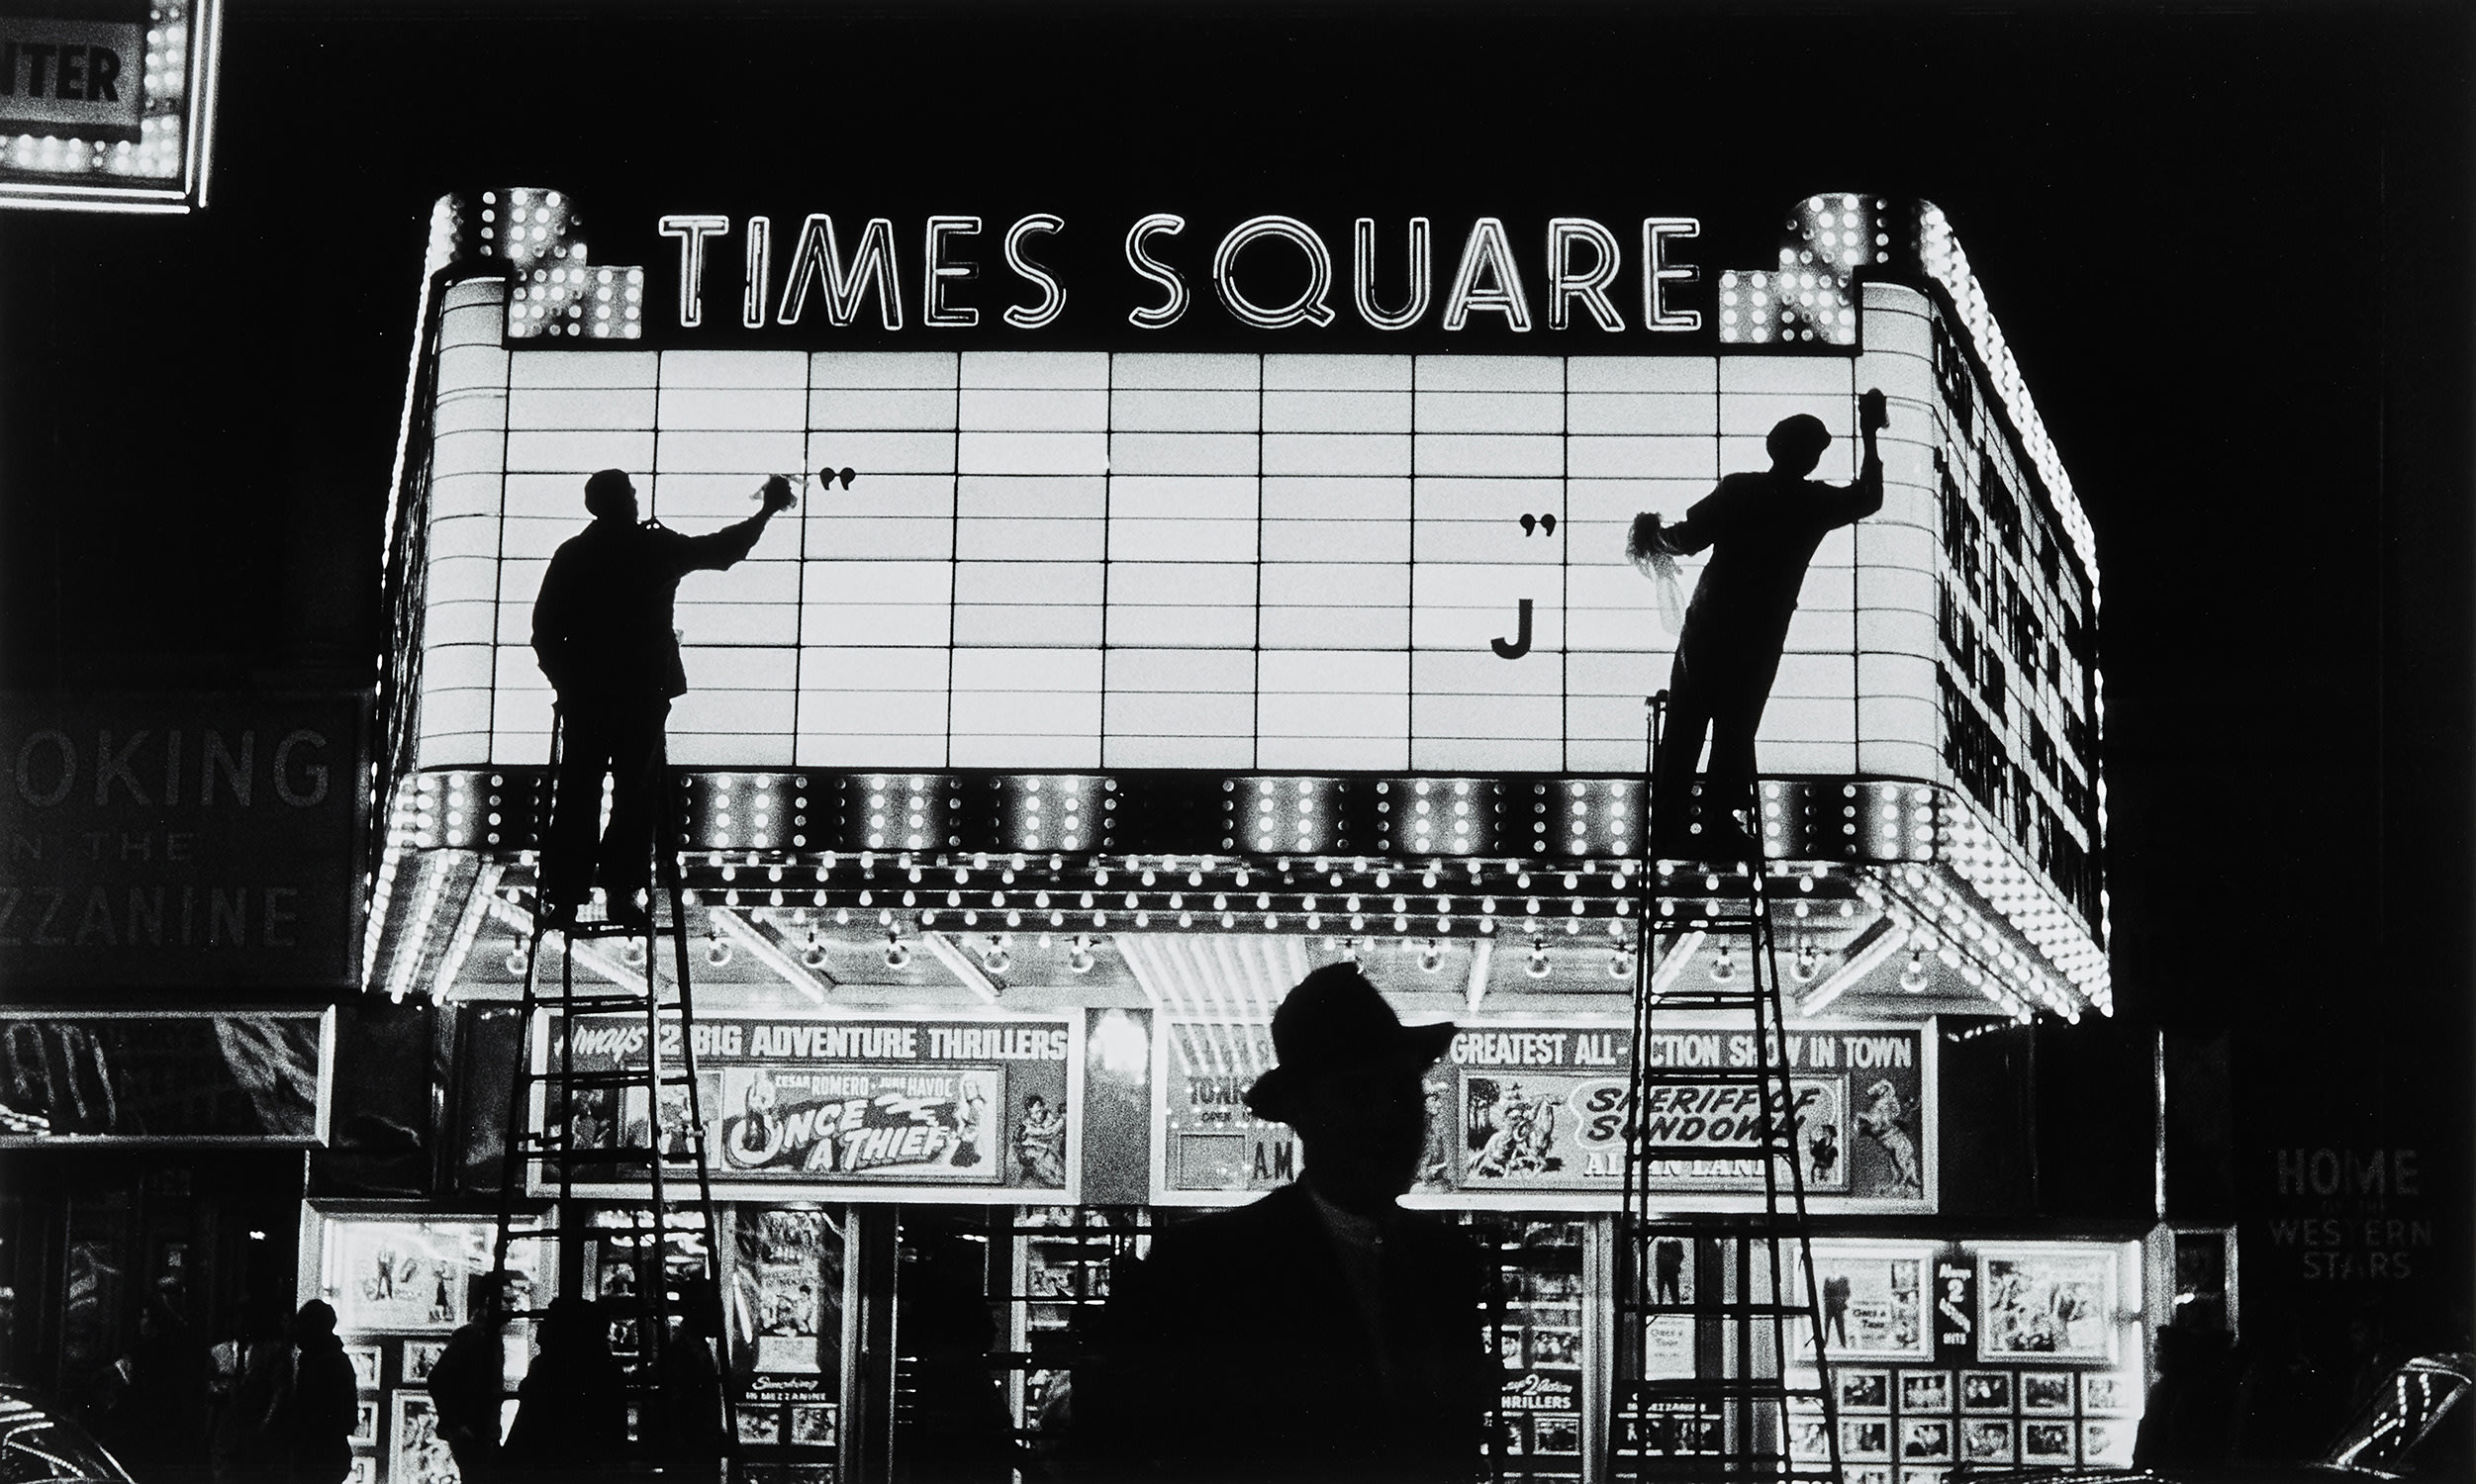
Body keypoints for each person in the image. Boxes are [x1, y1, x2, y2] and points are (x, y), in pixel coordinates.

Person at [1080, 963, 1495, 1482]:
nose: (1390, 1118)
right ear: (1302, 1111)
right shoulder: (1205, 1271)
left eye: (1402, 1092)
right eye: (1359, 1094)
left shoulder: (1447, 1264)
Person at [531, 467, 799, 931]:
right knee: (635, 794)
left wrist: (566, 683)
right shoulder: (653, 548)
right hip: (642, 693)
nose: (637, 500)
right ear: (623, 502)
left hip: (588, 695)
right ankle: (621, 891)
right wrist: (767, 511)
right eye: (631, 494)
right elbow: (722, 550)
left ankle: (565, 895)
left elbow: (545, 631)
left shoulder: (574, 554)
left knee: (578, 790)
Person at [1630, 392, 1888, 860]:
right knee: (1736, 726)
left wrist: (1653, 535)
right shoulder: (1813, 502)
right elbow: (1869, 497)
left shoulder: (1739, 489)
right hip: (1760, 633)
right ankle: (1717, 823)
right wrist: (1868, 433)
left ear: (1774, 447)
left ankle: (1668, 823)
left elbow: (1686, 540)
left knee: (1687, 723)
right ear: (1810, 456)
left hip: (1709, 623)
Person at [502, 1296, 627, 1480]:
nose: (540, 1329)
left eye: (548, 1322)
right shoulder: (607, 1366)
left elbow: (526, 1428)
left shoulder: (548, 1367)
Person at [279, 1300, 359, 1484]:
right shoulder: (331, 1360)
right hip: (329, 1454)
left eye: (300, 1324)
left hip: (318, 1455)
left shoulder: (322, 1364)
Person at [425, 1318, 504, 1483]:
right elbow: (436, 1379)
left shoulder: (489, 1338)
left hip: (480, 1431)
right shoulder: (471, 1337)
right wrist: (456, 1425)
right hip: (471, 1432)